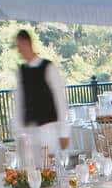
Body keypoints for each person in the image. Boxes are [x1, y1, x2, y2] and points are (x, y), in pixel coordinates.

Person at [11, 29, 70, 158]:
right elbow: (19, 103)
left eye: (20, 46)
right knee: (32, 168)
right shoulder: (22, 71)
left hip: (49, 130)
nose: (19, 50)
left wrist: (64, 132)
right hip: (29, 132)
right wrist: (18, 131)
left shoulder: (48, 67)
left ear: (28, 43)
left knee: (51, 166)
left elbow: (60, 100)